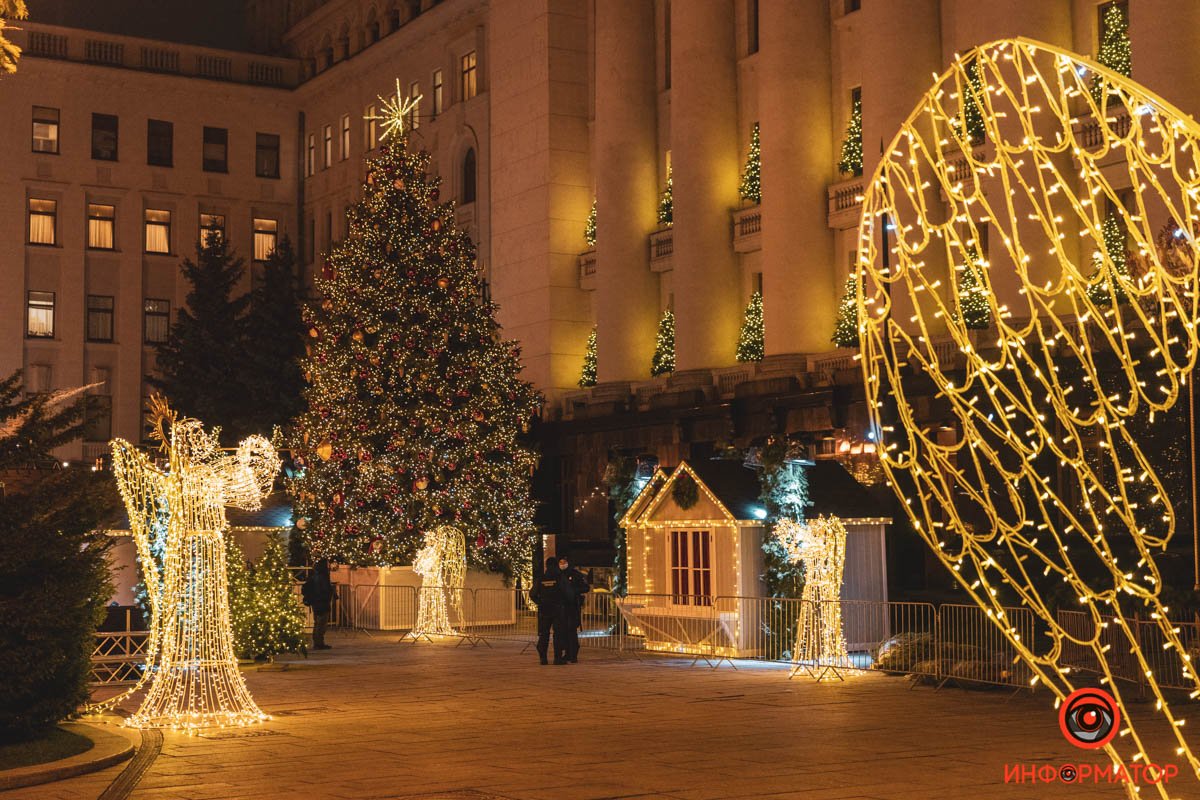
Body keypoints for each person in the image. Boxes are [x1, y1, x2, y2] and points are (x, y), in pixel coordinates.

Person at [528, 556, 570, 665]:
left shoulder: (541, 578)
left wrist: (540, 602)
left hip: (544, 609)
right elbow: (567, 592)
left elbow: (532, 594)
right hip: (558, 608)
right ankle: (557, 658)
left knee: (544, 634)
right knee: (558, 634)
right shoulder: (560, 577)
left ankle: (543, 658)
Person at [558, 556, 590, 663]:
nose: (562, 564)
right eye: (560, 562)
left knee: (571, 631)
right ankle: (567, 653)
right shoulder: (558, 574)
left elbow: (586, 587)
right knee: (563, 631)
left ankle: (573, 655)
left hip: (572, 607)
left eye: (564, 562)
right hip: (561, 607)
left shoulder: (576, 574)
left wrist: (573, 591)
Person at [302, 559, 334, 650]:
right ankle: (319, 642)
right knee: (321, 623)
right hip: (321, 603)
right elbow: (324, 590)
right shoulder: (322, 577)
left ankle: (318, 641)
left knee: (318, 622)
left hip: (317, 603)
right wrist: (328, 595)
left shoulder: (315, 575)